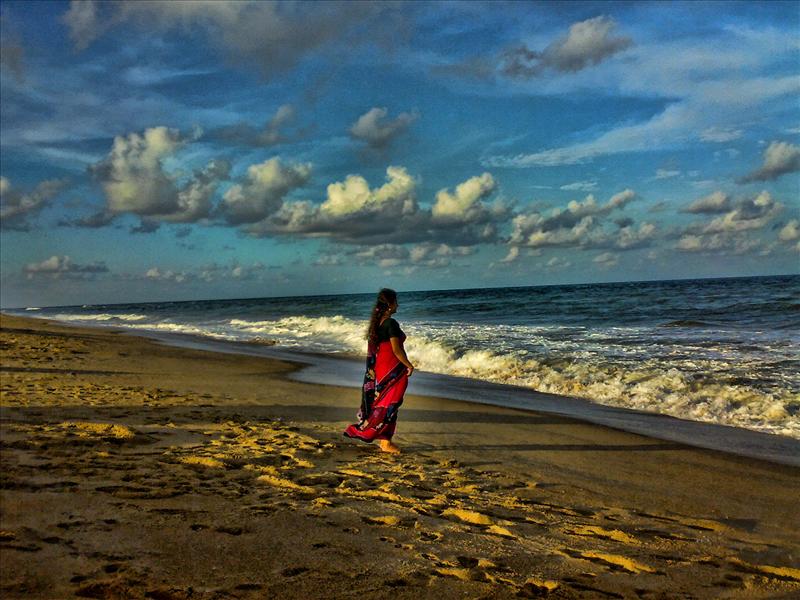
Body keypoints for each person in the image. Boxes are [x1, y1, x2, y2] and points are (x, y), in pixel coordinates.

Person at [343, 288, 414, 453]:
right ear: (389, 304)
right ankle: (384, 441)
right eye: (396, 302)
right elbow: (396, 350)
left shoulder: (377, 323)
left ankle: (385, 440)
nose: (398, 305)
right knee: (391, 405)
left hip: (381, 370)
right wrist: (409, 365)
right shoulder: (391, 323)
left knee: (385, 404)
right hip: (393, 370)